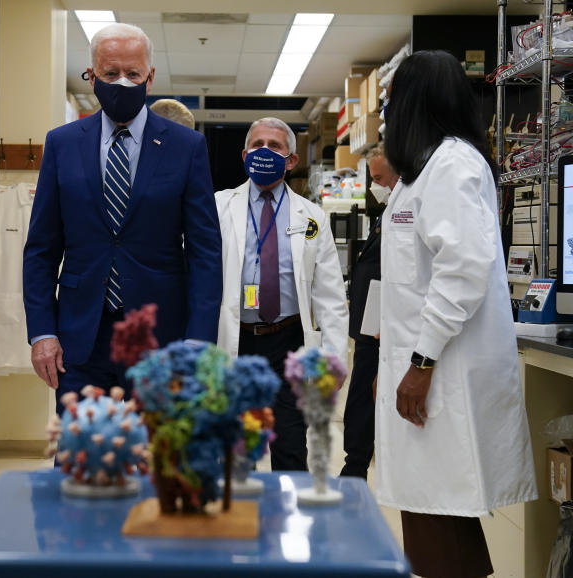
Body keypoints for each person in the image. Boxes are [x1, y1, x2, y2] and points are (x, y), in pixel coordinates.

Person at [376, 50, 537, 578]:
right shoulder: (419, 171)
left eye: (392, 98)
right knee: (431, 509)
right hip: (421, 361)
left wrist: (421, 364)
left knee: (439, 507)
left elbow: (463, 269)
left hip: (441, 369)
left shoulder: (451, 164)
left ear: (412, 101)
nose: (385, 111)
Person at [23, 23, 222, 413]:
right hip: (80, 340)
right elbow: (41, 249)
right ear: (92, 76)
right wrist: (42, 331)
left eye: (133, 74)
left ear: (150, 78)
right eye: (111, 74)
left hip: (161, 338)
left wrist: (199, 338)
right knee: (85, 465)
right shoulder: (62, 144)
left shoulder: (186, 147)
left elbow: (204, 251)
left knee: (159, 465)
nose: (122, 83)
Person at [215, 117, 348, 471]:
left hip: (289, 343)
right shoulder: (218, 207)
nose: (264, 152)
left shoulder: (312, 217)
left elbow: (330, 295)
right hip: (237, 342)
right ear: (244, 155)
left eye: (274, 146)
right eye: (257, 145)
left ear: (291, 160)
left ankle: (290, 525)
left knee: (290, 449)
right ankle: (240, 521)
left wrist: (334, 357)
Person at [340, 143, 398, 480]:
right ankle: (355, 463)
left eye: (378, 177)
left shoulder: (404, 207)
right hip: (369, 322)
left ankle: (356, 466)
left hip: (380, 323)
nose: (374, 185)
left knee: (366, 395)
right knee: (362, 392)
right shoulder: (387, 211)